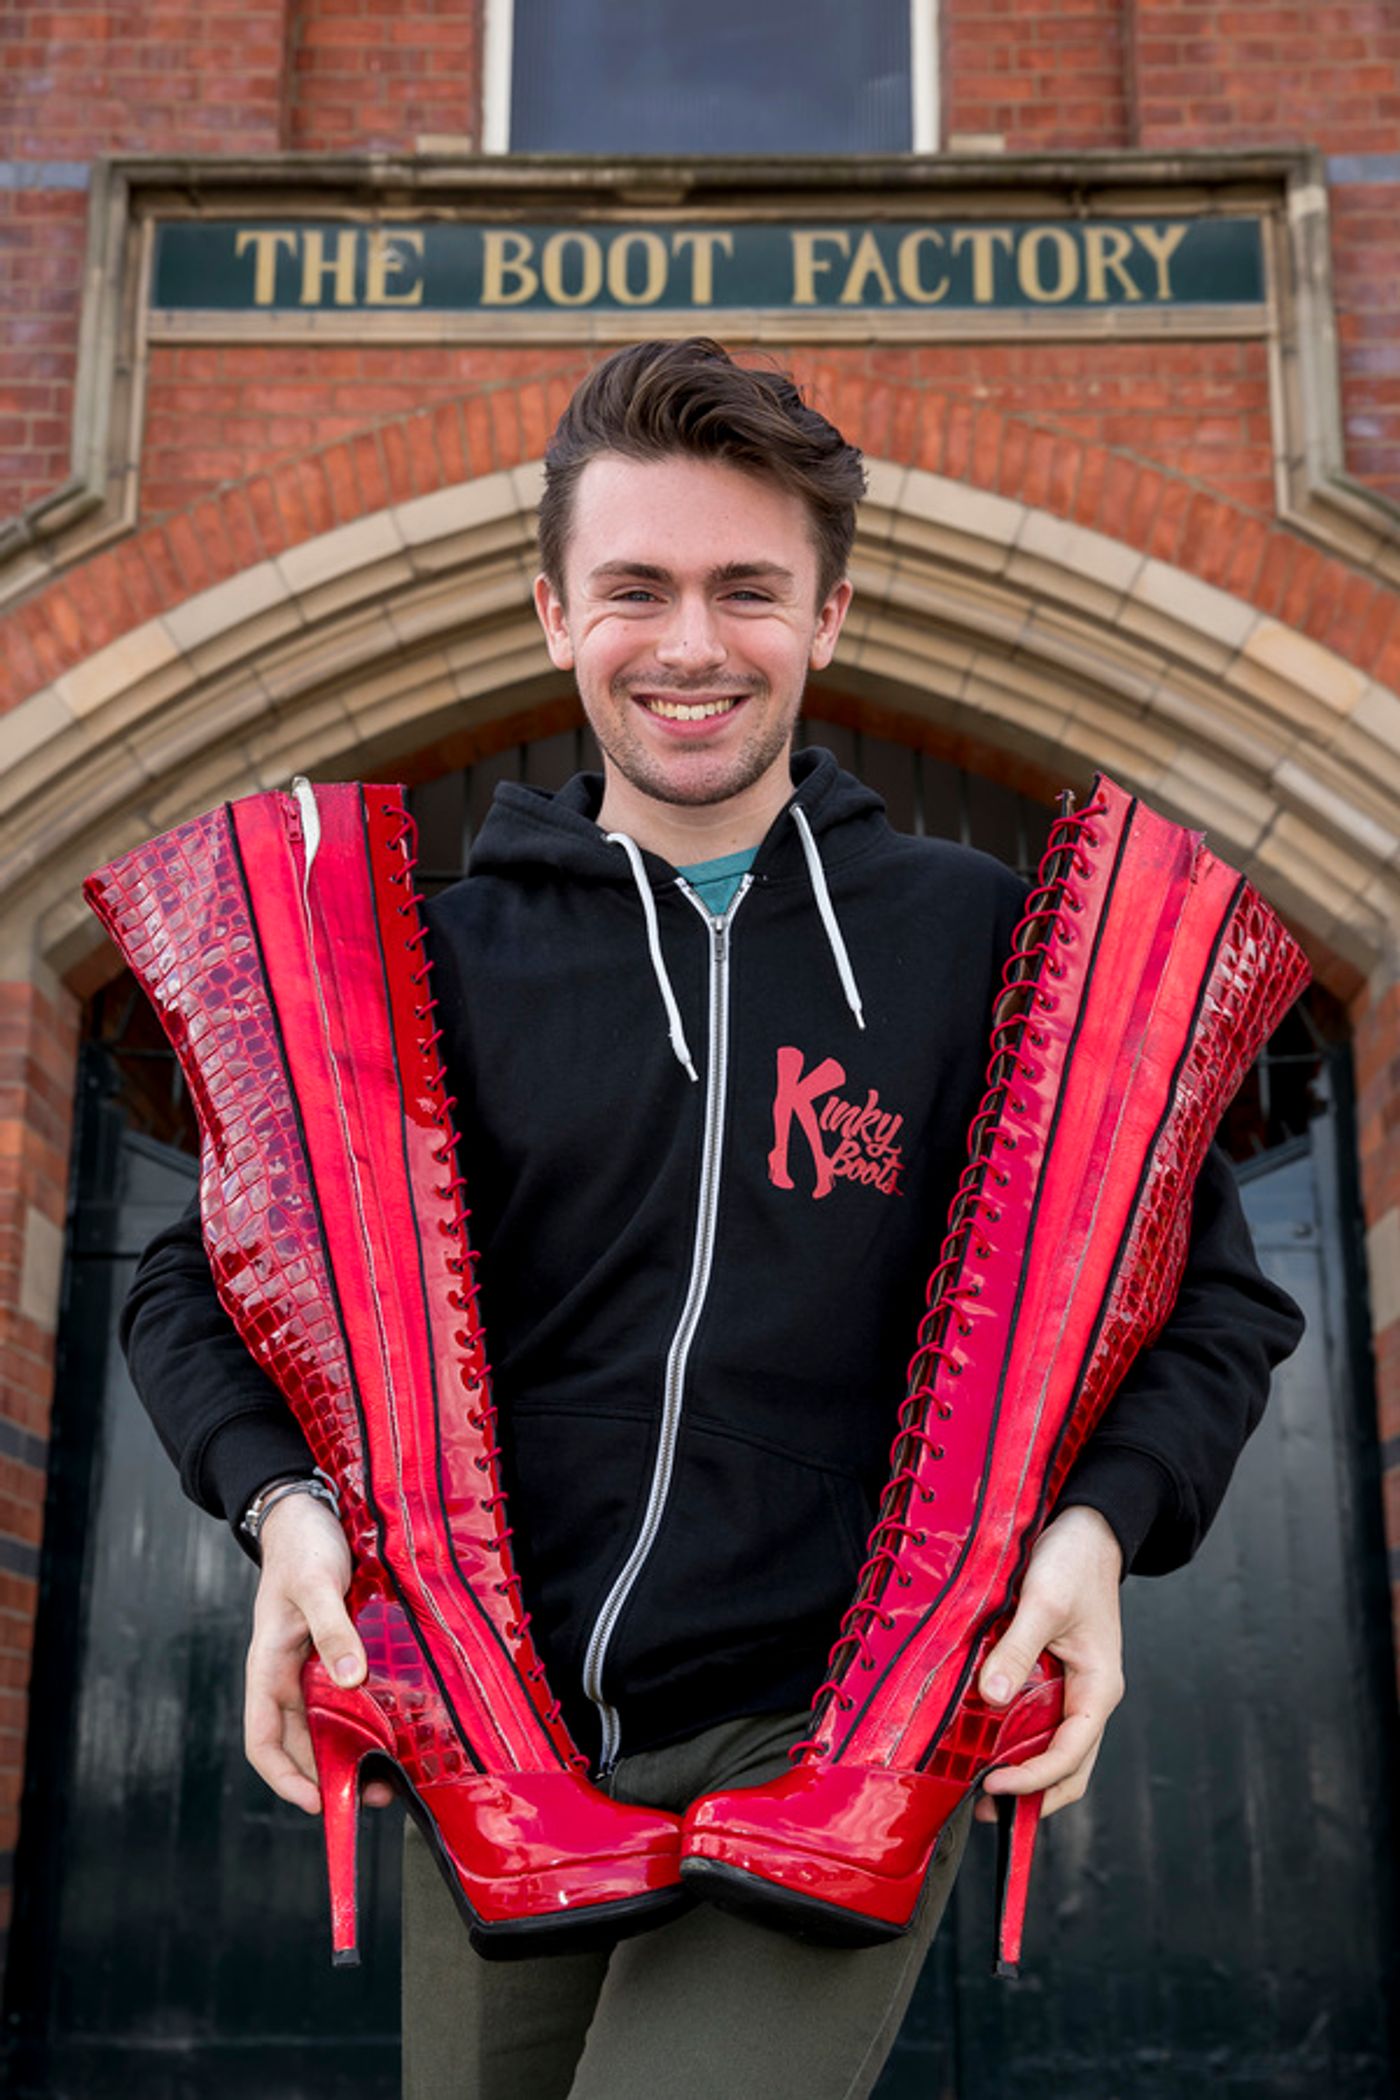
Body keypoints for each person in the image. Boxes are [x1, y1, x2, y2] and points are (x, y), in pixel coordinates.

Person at [121, 337, 1305, 2099]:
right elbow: (190, 1279)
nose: (689, 645)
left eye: (748, 589)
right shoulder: (432, 966)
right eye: (636, 590)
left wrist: (1100, 1535)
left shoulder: (987, 946)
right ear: (550, 613)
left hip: (837, 1727)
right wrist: (285, 1512)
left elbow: (1213, 1303)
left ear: (827, 619)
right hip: (491, 1748)